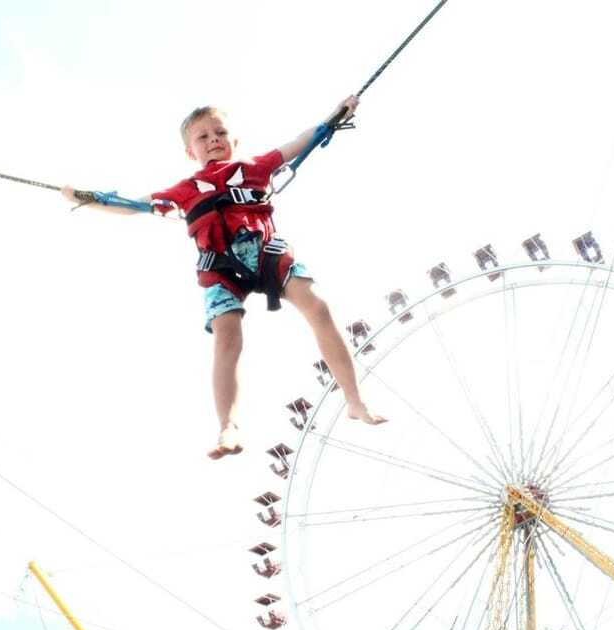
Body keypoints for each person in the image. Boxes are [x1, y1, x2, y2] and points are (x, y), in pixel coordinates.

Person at [62, 96, 386, 458]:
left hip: (267, 253)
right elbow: (133, 206)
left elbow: (300, 142)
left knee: (318, 307)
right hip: (220, 269)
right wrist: (87, 198)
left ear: (234, 140)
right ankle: (228, 426)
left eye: (220, 132)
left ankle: (354, 399)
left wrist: (335, 116)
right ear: (190, 152)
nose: (213, 139)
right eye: (203, 137)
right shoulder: (183, 191)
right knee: (227, 338)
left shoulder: (255, 167)